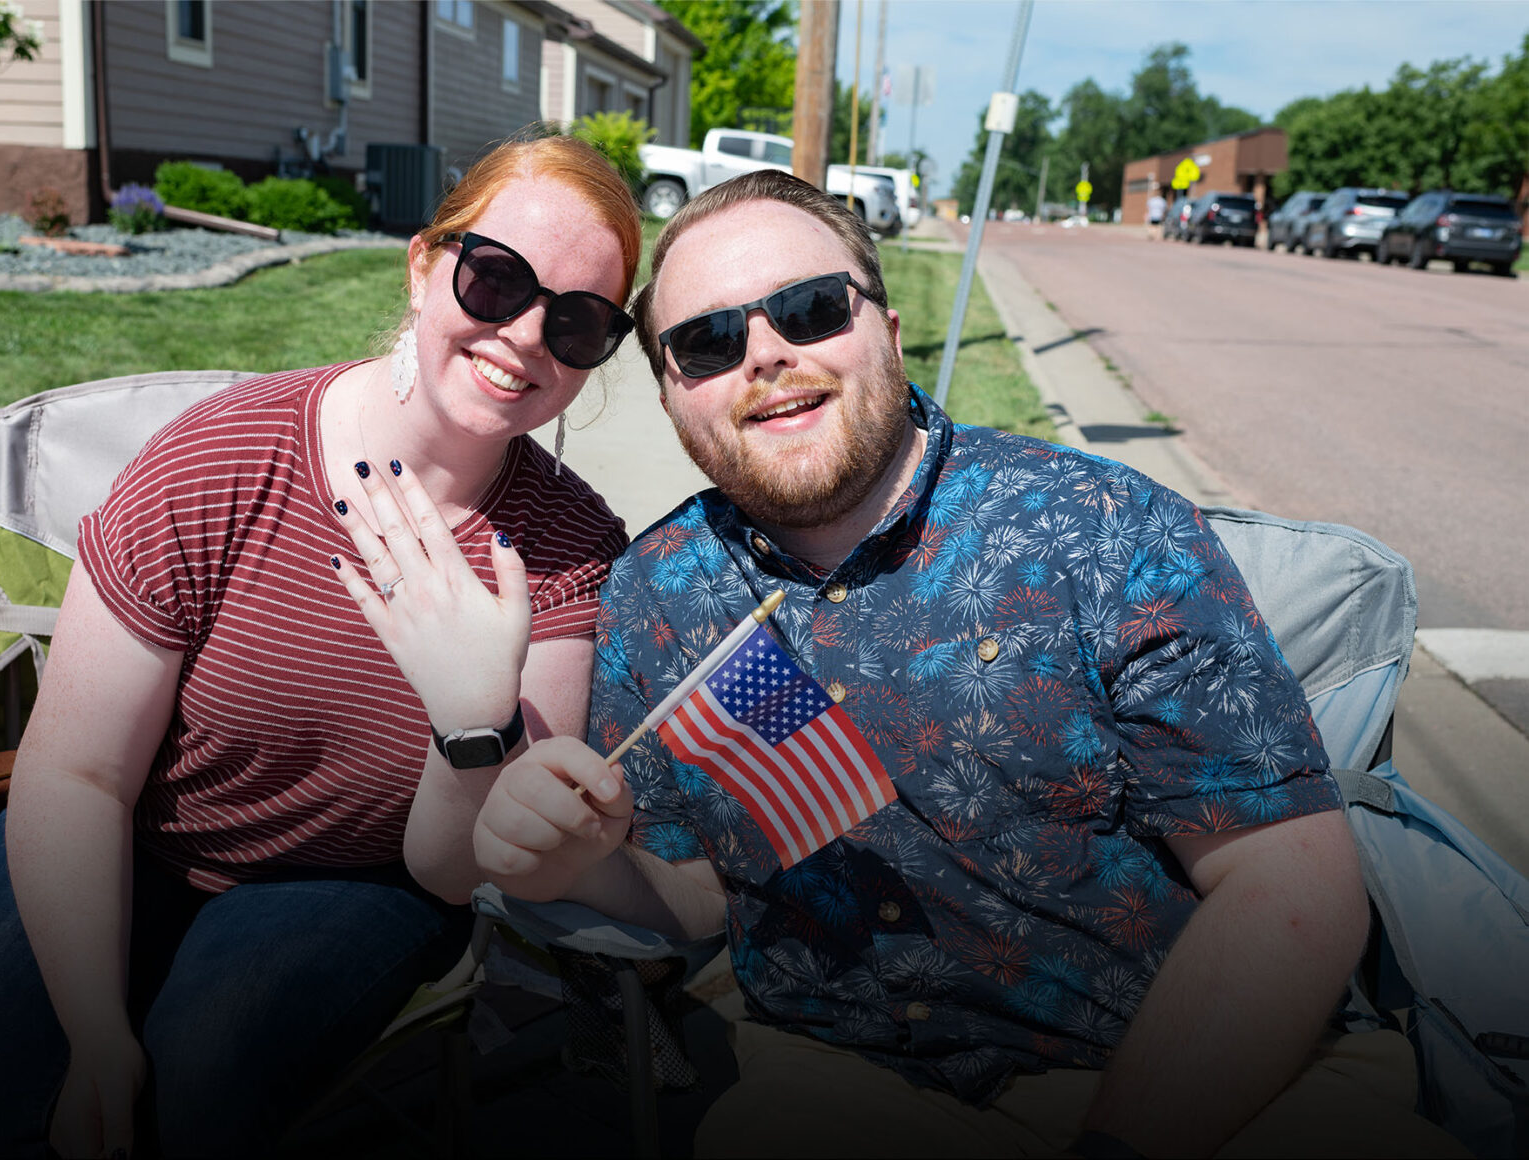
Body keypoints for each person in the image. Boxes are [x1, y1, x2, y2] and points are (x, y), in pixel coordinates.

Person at [472, 171, 1465, 1158]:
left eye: (812, 310)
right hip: (851, 1086)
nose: (768, 355)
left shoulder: (1105, 531)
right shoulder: (657, 592)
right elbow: (696, 890)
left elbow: (1289, 879)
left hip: (1211, 1068)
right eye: (708, 341)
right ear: (670, 394)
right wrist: (589, 865)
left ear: (891, 330)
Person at [0, 135, 640, 1158]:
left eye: (578, 321)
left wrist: (472, 724)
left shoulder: (567, 548)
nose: (526, 335)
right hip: (129, 828)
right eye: (494, 279)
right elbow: (80, 768)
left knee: (191, 1097)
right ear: (420, 265)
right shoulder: (221, 454)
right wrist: (94, 1036)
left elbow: (455, 871)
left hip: (360, 880)